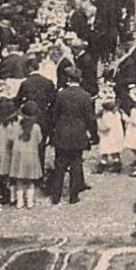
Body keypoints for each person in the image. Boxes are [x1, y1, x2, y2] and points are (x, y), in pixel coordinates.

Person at [49, 67, 98, 203]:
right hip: (78, 134)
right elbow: (90, 119)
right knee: (76, 164)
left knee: (59, 164)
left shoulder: (60, 95)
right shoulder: (85, 96)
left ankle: (56, 196)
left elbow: (54, 115)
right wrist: (94, 135)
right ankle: (73, 196)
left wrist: (53, 131)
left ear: (68, 79)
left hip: (61, 133)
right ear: (79, 79)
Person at [95, 96, 124, 172]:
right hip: (116, 134)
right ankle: (117, 162)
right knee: (114, 150)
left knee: (105, 149)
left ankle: (103, 164)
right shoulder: (117, 113)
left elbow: (106, 127)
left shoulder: (107, 115)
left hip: (108, 136)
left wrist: (99, 126)